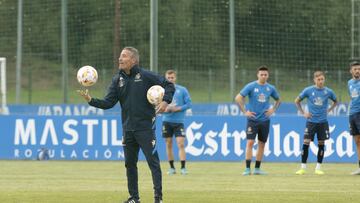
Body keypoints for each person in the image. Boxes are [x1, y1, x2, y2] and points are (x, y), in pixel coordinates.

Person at [78, 47, 175, 203]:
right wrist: (91, 100)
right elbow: (109, 103)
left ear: (133, 60)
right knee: (130, 164)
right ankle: (134, 198)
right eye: (120, 56)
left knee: (153, 162)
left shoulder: (146, 76)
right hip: (128, 129)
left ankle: (158, 198)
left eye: (124, 56)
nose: (120, 59)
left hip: (145, 129)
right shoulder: (118, 80)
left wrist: (165, 101)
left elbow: (169, 85)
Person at [235, 65, 281, 176]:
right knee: (250, 142)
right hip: (253, 120)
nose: (264, 76)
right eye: (262, 74)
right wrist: (245, 111)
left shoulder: (270, 88)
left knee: (261, 144)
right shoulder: (251, 86)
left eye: (265, 74)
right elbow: (238, 98)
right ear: (258, 75)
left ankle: (257, 169)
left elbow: (278, 100)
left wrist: (272, 110)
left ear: (268, 75)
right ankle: (247, 168)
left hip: (265, 120)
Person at [295, 71, 337, 175]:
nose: (320, 81)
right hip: (311, 122)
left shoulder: (328, 91)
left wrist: (329, 109)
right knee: (306, 143)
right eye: (318, 79)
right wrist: (304, 113)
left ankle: (318, 168)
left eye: (322, 79)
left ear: (324, 80)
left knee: (321, 144)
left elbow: (336, 101)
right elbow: (297, 100)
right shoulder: (308, 90)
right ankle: (303, 168)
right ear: (314, 80)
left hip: (323, 122)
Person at [162, 70, 192, 175]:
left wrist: (177, 108)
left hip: (179, 122)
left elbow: (189, 104)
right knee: (168, 144)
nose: (170, 79)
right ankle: (172, 168)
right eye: (168, 78)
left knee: (181, 143)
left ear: (175, 78)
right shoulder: (161, 90)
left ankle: (183, 168)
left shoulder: (182, 90)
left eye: (172, 78)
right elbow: (157, 104)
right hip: (166, 121)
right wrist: (163, 109)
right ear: (166, 78)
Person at [348, 61, 360, 175]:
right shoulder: (349, 83)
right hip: (352, 114)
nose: (357, 71)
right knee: (357, 141)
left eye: (359, 69)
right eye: (355, 69)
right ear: (351, 71)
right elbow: (352, 98)